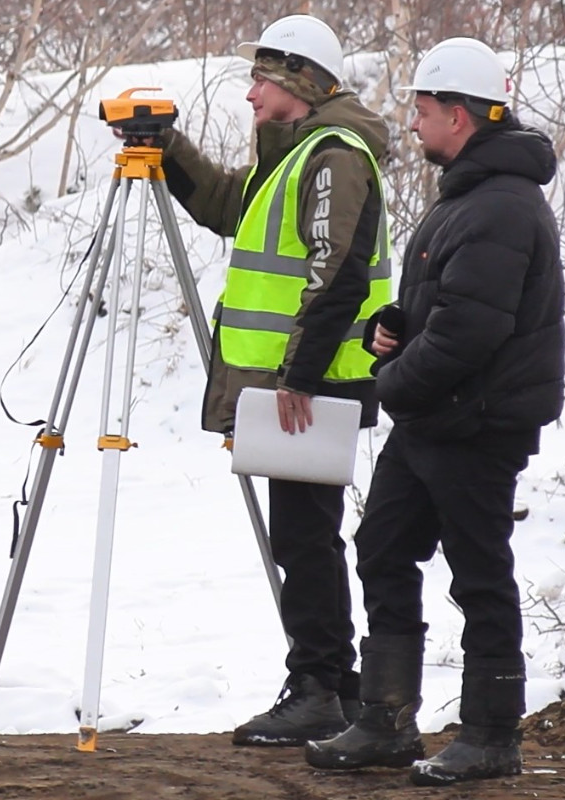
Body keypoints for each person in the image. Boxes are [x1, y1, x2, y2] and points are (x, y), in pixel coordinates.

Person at [305, 37, 565, 786]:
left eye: (421, 110)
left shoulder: (502, 206)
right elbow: (448, 309)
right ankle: (387, 721)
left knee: (479, 572)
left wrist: (390, 380)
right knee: (383, 547)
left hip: (476, 423)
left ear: (458, 114)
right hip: (436, 417)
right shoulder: (469, 195)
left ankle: (491, 735)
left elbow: (470, 332)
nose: (412, 124)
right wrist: (394, 321)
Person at [146, 14, 393, 746]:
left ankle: (319, 685)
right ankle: (335, 688)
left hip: (311, 383)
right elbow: (229, 208)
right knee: (306, 534)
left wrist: (299, 374)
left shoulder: (334, 154)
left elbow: (337, 267)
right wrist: (166, 150)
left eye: (260, 78)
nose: (249, 92)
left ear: (299, 80)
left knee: (305, 537)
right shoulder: (293, 154)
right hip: (298, 379)